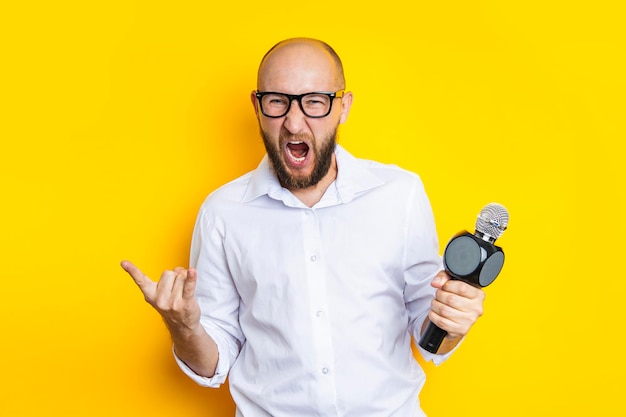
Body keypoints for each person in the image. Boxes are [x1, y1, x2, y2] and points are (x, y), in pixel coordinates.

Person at [121, 37, 486, 417]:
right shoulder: (223, 212)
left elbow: (429, 337)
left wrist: (452, 323)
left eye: (314, 102)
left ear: (343, 107)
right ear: (257, 107)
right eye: (277, 101)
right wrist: (184, 327)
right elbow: (214, 362)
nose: (294, 123)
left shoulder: (400, 194)